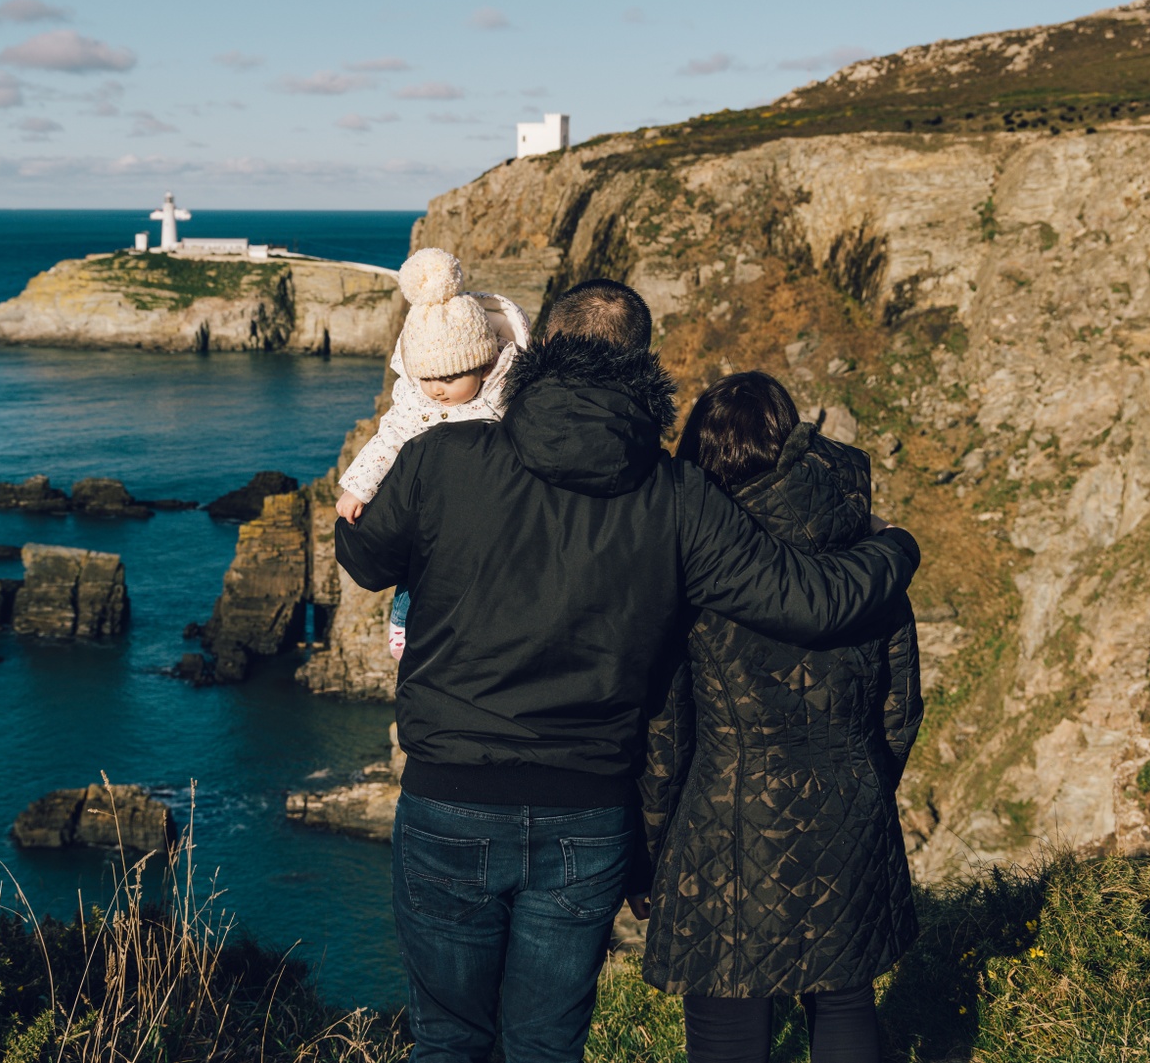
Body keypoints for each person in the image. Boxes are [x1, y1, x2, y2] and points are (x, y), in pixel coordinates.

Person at [334, 279, 920, 1063]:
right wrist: (895, 546)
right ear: (643, 364)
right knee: (546, 1046)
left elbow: (364, 557)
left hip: (452, 796)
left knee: (449, 1040)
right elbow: (808, 601)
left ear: (540, 348)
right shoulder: (678, 495)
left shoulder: (441, 458)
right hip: (586, 811)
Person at [637, 371, 922, 1063]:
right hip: (849, 803)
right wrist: (863, 783)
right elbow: (900, 706)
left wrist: (648, 853)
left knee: (728, 1016)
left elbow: (666, 732)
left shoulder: (698, 566)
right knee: (846, 1003)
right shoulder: (869, 556)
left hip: (725, 823)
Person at [336, 247, 530, 658]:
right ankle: (402, 617)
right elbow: (389, 438)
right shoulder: (416, 400)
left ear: (484, 365)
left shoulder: (508, 392)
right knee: (418, 559)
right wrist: (358, 488)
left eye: (450, 377)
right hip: (436, 508)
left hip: (489, 506)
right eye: (427, 377)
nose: (437, 389)